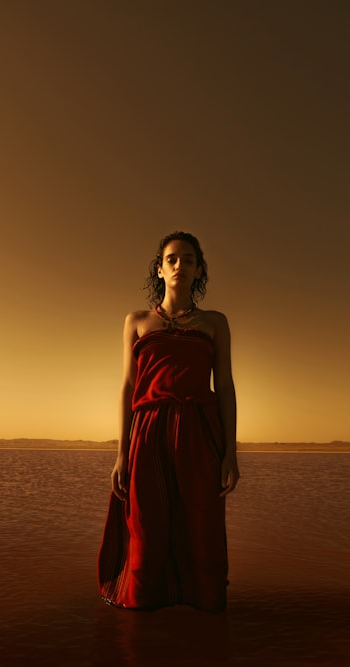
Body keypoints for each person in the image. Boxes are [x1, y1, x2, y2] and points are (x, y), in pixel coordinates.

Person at [98, 230, 239, 613]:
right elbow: (128, 388)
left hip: (199, 432)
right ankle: (144, 622)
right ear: (159, 270)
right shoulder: (137, 321)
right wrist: (121, 454)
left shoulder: (215, 323)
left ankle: (205, 613)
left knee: (203, 524)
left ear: (199, 271)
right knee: (146, 526)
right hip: (147, 433)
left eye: (189, 259)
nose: (180, 265)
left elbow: (224, 388)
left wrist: (230, 453)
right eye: (172, 259)